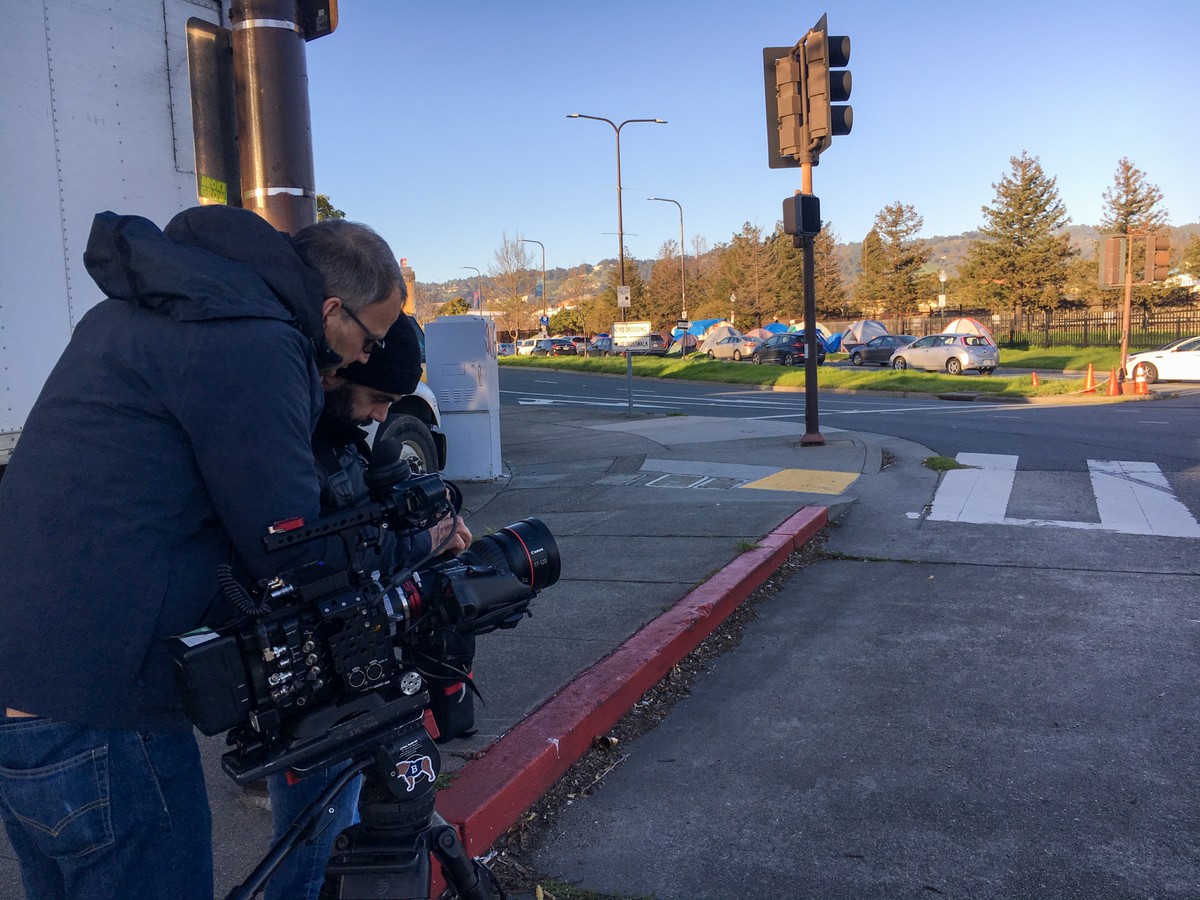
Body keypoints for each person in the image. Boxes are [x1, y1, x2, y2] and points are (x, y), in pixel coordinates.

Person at [0, 204, 404, 900]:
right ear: (334, 309)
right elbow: (287, 547)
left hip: (22, 690)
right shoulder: (257, 339)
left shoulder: (140, 310)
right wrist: (405, 545)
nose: (365, 358)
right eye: (371, 340)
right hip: (104, 710)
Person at [264, 315, 471, 900]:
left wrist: (424, 516)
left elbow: (366, 509)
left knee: (333, 830)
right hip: (318, 685)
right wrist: (422, 542)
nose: (383, 415)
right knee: (313, 848)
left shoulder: (333, 431)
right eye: (379, 397)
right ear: (341, 369)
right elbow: (315, 560)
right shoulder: (293, 440)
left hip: (347, 670)